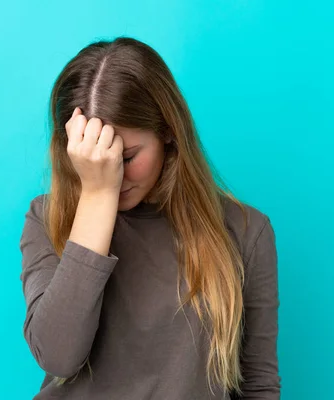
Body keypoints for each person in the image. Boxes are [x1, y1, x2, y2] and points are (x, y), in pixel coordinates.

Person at [19, 36, 280, 400]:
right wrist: (96, 197)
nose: (113, 174)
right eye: (95, 157)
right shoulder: (47, 218)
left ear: (168, 133)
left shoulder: (244, 231)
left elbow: (258, 384)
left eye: (125, 158)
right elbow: (58, 357)